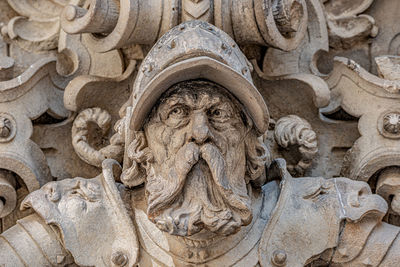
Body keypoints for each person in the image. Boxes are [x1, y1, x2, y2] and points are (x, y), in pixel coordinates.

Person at [1, 21, 399, 267]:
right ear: (139, 146)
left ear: (250, 144)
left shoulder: (320, 214)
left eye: (219, 114)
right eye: (176, 113)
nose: (200, 132)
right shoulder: (78, 216)